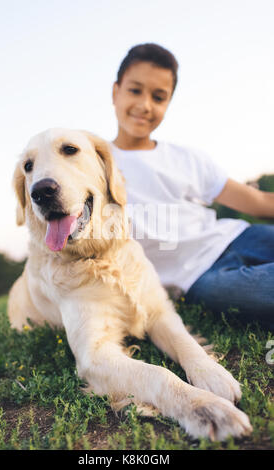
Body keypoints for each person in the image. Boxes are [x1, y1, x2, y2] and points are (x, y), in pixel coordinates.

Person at [110, 43, 274, 331]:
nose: (145, 105)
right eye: (135, 90)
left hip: (238, 238)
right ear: (116, 92)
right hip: (198, 279)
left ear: (168, 103)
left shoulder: (186, 158)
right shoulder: (94, 163)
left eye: (158, 97)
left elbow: (259, 202)